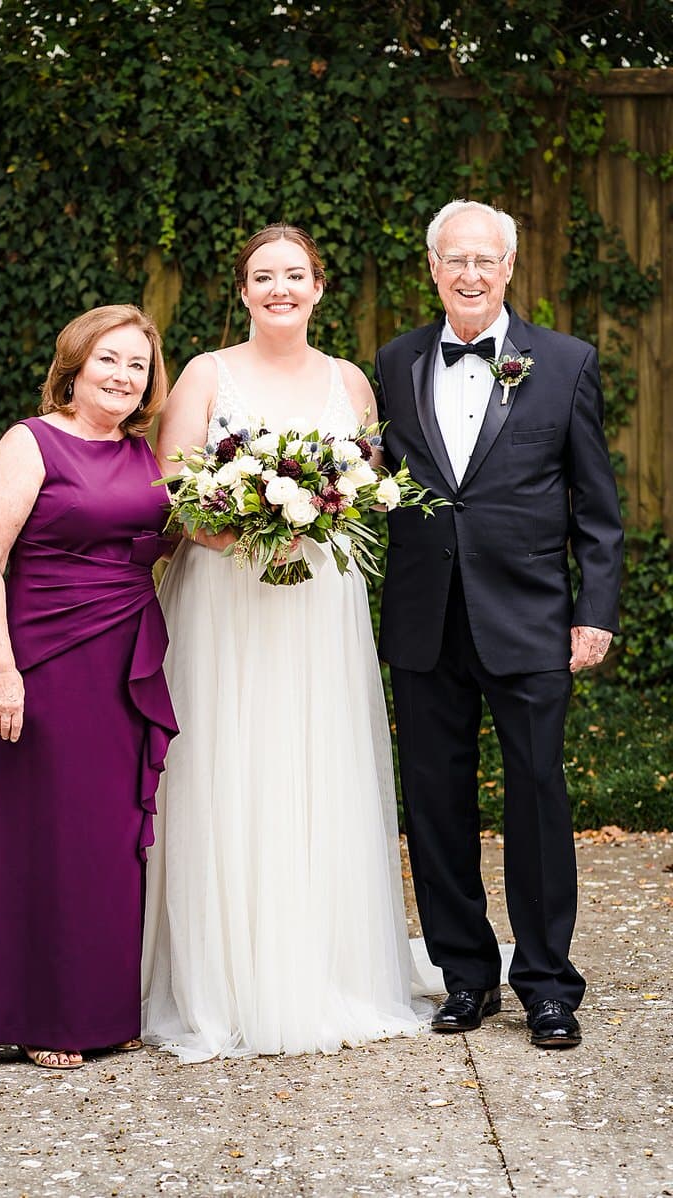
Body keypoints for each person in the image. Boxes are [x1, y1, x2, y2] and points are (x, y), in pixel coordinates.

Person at [142, 225, 426, 1061]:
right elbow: (171, 486)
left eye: (294, 275)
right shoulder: (206, 374)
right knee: (227, 760)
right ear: (243, 291)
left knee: (317, 760)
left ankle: (322, 967)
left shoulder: (350, 381)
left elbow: (367, 485)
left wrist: (320, 518)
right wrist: (241, 534)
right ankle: (220, 977)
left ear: (318, 288)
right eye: (263, 276)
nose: (279, 289)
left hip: (319, 601)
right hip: (225, 597)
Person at [376, 199, 622, 1049]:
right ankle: (466, 976)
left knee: (539, 797)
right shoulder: (396, 361)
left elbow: (597, 508)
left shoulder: (565, 362)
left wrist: (594, 612)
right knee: (434, 804)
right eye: (456, 259)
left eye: (486, 259)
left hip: (529, 617)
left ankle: (548, 986)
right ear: (433, 267)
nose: (471, 274)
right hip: (425, 619)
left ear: (510, 266)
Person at [0, 304, 177, 1070]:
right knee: (48, 836)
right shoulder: (30, 442)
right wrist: (1, 670)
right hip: (44, 663)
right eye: (109, 359)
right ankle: (43, 1015)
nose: (123, 376)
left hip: (124, 662)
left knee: (109, 839)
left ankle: (104, 1008)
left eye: (137, 365)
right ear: (74, 367)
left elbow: (175, 539)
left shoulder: (145, 453)